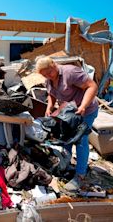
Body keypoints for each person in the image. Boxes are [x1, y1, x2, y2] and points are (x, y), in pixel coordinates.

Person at [35, 56, 99, 191]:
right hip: (68, 113)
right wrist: (49, 107)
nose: (48, 76)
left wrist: (83, 106)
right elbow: (51, 94)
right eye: (45, 75)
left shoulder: (70, 72)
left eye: (49, 72)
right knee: (65, 139)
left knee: (80, 140)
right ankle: (66, 165)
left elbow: (92, 86)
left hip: (85, 111)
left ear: (53, 64)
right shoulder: (49, 79)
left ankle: (80, 175)